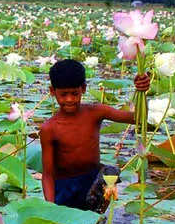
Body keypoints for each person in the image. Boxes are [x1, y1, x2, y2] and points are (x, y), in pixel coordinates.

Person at [40, 59, 150, 211]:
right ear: (53, 92)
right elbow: (47, 174)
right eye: (63, 94)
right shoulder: (49, 128)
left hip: (92, 181)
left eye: (74, 93)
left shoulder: (96, 112)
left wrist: (142, 92)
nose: (69, 99)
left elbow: (138, 118)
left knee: (110, 173)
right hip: (65, 187)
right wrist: (50, 208)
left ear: (83, 89)